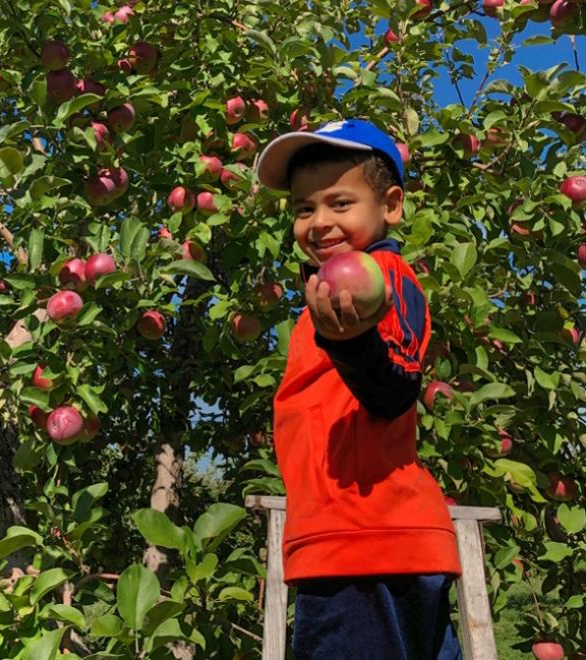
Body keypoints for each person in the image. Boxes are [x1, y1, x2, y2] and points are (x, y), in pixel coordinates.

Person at [254, 118, 464, 660]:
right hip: (367, 541)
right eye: (304, 209)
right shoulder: (332, 300)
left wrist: (352, 344)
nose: (319, 222)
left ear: (390, 205)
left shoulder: (381, 279)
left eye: (340, 203)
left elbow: (394, 389)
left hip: (361, 544)